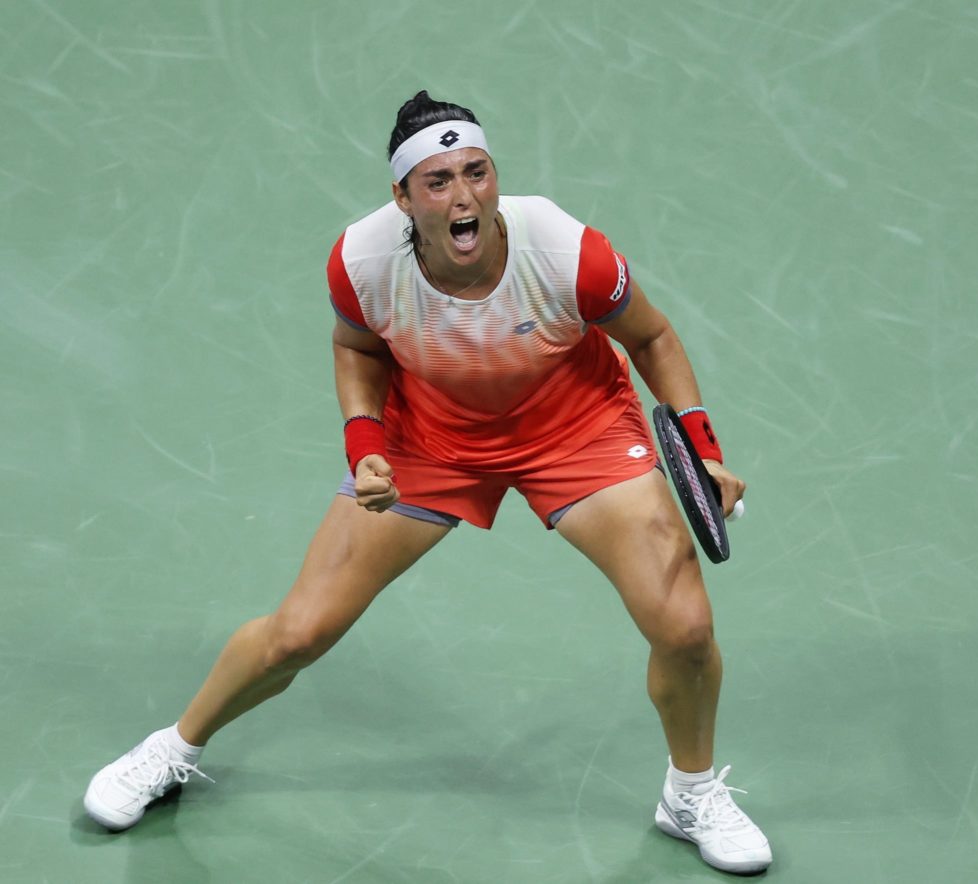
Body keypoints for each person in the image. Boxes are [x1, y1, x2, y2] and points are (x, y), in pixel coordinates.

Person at [83, 91, 772, 875]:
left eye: (477, 172)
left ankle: (690, 796)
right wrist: (365, 447)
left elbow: (651, 338)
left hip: (577, 429)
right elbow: (357, 349)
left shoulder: (565, 250)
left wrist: (702, 449)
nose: (463, 196)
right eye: (438, 181)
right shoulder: (362, 262)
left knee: (683, 628)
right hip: (432, 438)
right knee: (299, 632)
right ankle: (172, 750)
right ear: (403, 198)